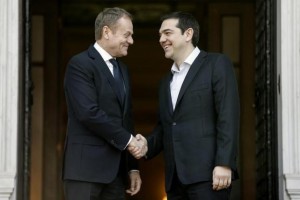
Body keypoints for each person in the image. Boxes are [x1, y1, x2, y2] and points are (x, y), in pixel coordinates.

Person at [133, 11, 240, 199]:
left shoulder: (217, 64)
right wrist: (146, 145)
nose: (161, 39)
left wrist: (224, 163)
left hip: (209, 177)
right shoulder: (165, 82)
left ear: (188, 34)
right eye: (160, 35)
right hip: (175, 182)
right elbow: (165, 127)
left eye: (167, 33)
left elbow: (227, 115)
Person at [62, 7, 145, 200]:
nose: (131, 41)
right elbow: (88, 112)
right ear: (106, 32)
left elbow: (127, 119)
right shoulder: (80, 64)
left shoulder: (123, 70)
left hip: (116, 175)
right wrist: (130, 141)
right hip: (85, 173)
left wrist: (133, 168)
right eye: (127, 35)